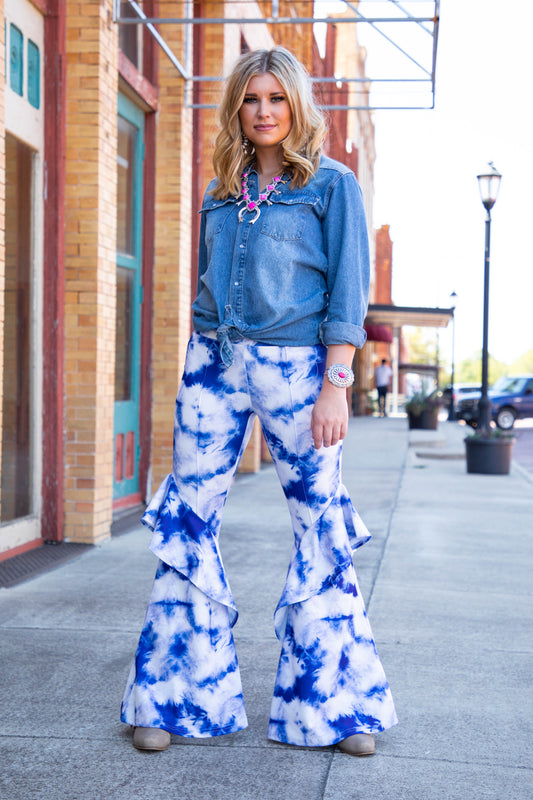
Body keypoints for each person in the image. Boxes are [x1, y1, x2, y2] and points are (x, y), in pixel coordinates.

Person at [121, 46, 397, 757]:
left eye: (276, 98)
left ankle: (337, 709)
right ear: (237, 108)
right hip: (213, 363)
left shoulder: (332, 185)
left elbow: (348, 291)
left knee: (319, 525)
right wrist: (196, 360)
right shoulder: (221, 189)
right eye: (251, 99)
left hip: (299, 370)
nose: (264, 111)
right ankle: (172, 699)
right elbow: (208, 283)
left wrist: (337, 384)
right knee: (187, 519)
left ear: (296, 105)